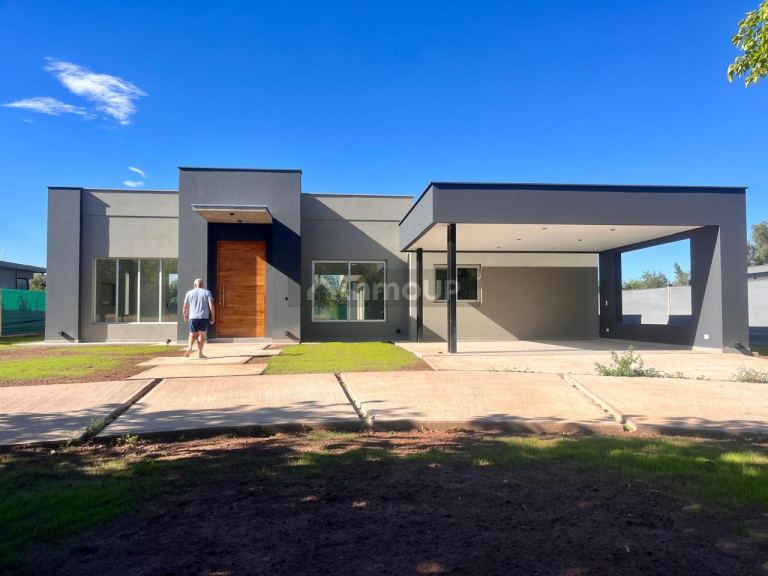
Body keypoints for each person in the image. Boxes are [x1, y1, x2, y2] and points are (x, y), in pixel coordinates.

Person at [182, 278, 215, 358]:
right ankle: (200, 353)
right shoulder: (207, 293)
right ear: (202, 285)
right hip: (204, 317)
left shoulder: (189, 293)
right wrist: (213, 316)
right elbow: (211, 305)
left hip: (193, 317)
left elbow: (185, 306)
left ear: (194, 285)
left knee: (192, 334)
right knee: (201, 334)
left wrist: (185, 316)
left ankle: (190, 347)